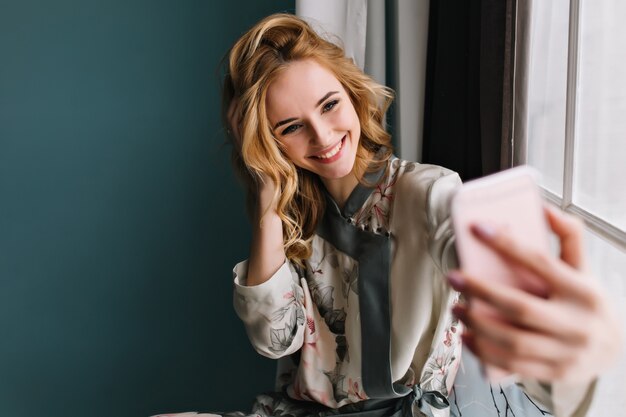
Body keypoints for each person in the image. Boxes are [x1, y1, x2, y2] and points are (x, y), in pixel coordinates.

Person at [155, 13, 622, 417]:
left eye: (329, 104)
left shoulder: (425, 191)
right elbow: (276, 340)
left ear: (352, 93)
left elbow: (488, 270)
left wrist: (557, 323)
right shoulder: (295, 213)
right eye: (291, 127)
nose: (321, 137)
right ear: (269, 144)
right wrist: (267, 197)